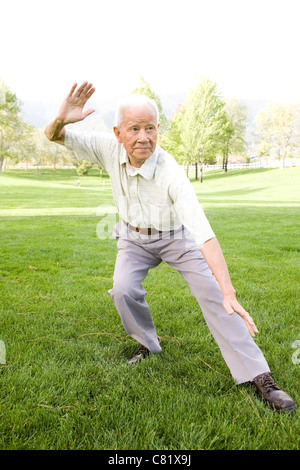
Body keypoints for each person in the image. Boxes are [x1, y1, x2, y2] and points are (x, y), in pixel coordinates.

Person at [44, 81, 296, 412]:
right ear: (119, 134)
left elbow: (204, 235)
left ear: (158, 129)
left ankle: (260, 376)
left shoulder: (171, 174)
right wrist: (61, 118)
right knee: (122, 289)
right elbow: (53, 135)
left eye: (150, 128)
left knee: (216, 296)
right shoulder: (108, 147)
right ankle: (147, 344)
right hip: (133, 237)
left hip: (175, 237)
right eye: (134, 129)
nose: (143, 137)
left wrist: (229, 291)